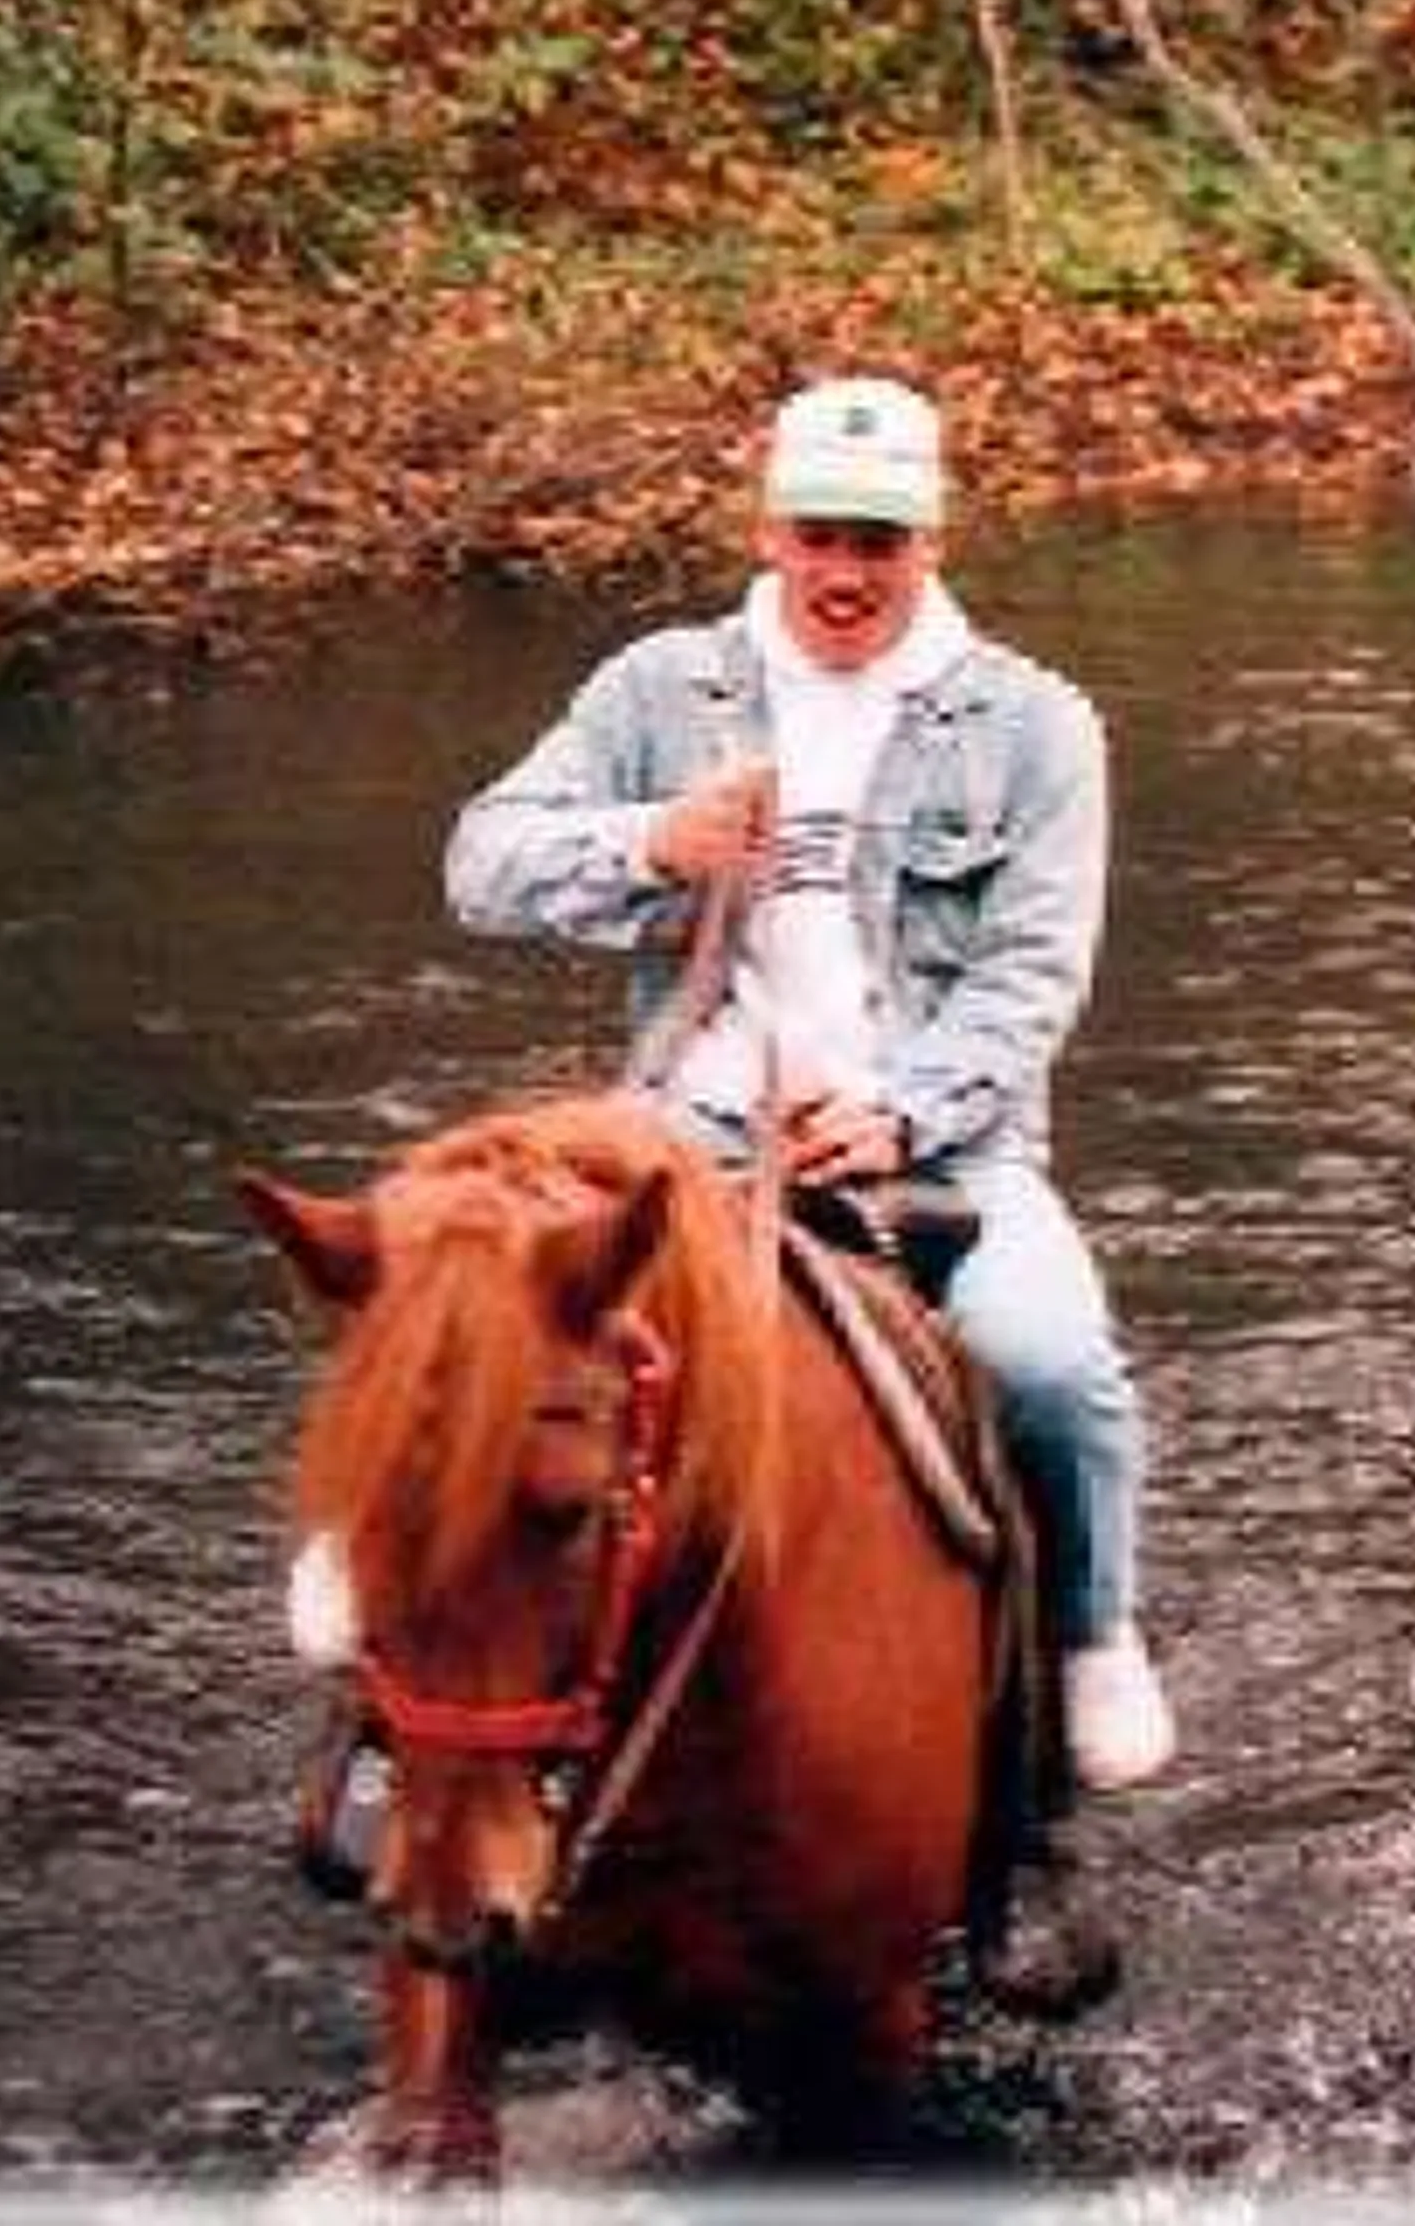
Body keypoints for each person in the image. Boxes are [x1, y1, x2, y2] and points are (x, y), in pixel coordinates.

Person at [443, 375, 1175, 1792]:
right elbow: (478, 865)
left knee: (1055, 1368)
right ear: (768, 529)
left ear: (934, 541)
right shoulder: (658, 687)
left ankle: (1093, 1630)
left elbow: (1035, 976)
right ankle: (400, 1673)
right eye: (821, 534)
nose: (847, 571)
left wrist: (899, 1105)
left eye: (880, 539)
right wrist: (653, 839)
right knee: (481, 1322)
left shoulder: (1037, 725)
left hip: (938, 1139)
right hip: (681, 1123)